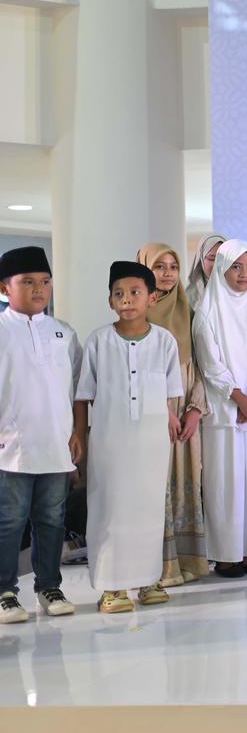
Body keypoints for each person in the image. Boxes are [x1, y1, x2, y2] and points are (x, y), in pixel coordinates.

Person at [74, 262, 184, 613]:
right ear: (110, 301)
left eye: (135, 292)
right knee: (110, 509)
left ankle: (149, 580)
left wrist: (168, 419)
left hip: (151, 442)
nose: (126, 299)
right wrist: (79, 436)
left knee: (148, 510)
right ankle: (112, 586)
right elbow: (83, 395)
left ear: (152, 298)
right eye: (118, 293)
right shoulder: (99, 341)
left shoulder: (164, 341)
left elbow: (169, 393)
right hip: (110, 441)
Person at [0, 247, 80, 623]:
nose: (39, 289)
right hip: (10, 447)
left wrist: (77, 433)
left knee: (51, 520)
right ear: (5, 288)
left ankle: (49, 587)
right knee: (10, 522)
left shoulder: (63, 332)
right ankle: (5, 592)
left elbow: (76, 388)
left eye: (45, 281)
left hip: (55, 444)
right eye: (28, 281)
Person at [193, 239, 247, 578]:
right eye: (236, 267)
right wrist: (239, 398)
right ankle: (226, 555)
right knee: (225, 483)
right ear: (221, 269)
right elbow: (210, 362)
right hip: (224, 410)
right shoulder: (208, 309)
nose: (244, 274)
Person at [137, 242, 210, 584]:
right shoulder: (136, 314)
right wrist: (164, 410)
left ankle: (187, 562)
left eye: (173, 266)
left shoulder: (189, 311)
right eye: (159, 266)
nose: (167, 273)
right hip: (155, 415)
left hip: (186, 414)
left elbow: (200, 366)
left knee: (185, 483)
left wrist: (195, 410)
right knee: (156, 485)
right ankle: (158, 567)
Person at [187, 233, 226, 308]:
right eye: (211, 258)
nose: (216, 264)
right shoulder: (189, 297)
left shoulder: (239, 289)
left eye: (221, 258)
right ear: (201, 260)